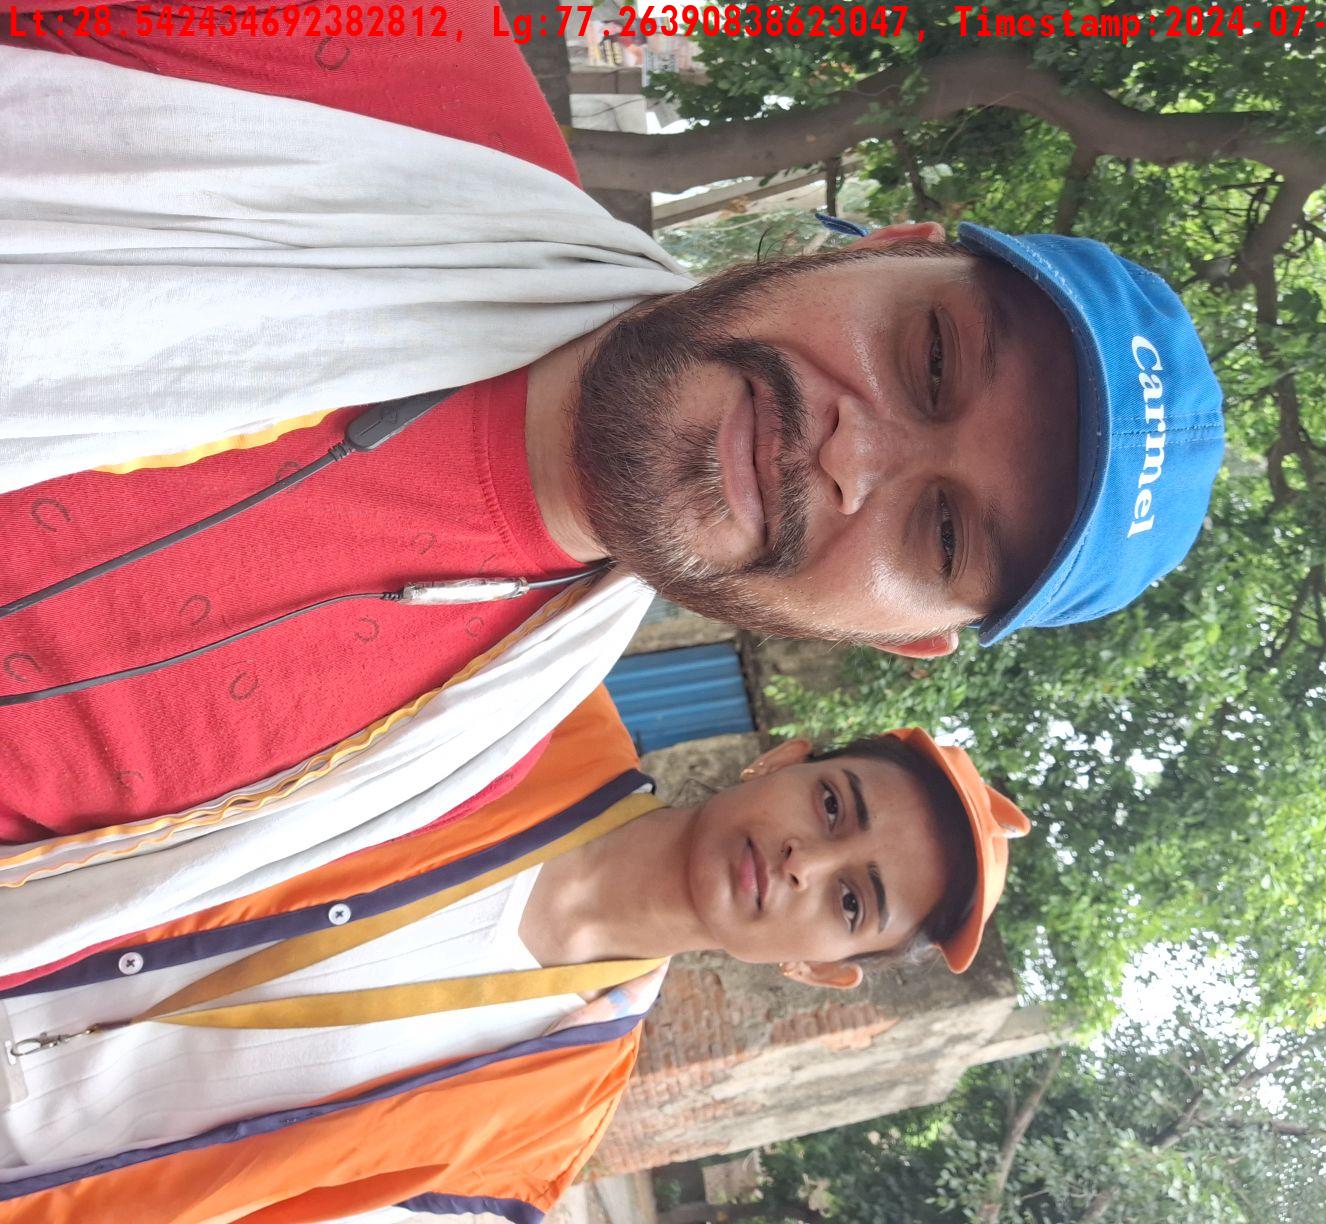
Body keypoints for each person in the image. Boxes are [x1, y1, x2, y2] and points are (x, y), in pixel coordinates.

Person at [0, 7, 1222, 931]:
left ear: (901, 638)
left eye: (943, 534)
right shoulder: (380, 64)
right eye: (932, 358)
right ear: (882, 248)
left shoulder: (442, 765)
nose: (856, 453)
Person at [0, 685, 1031, 1222]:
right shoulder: (527, 713)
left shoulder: (537, 1133)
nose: (808, 860)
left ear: (817, 970)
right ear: (780, 760)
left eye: (852, 901)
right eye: (834, 805)